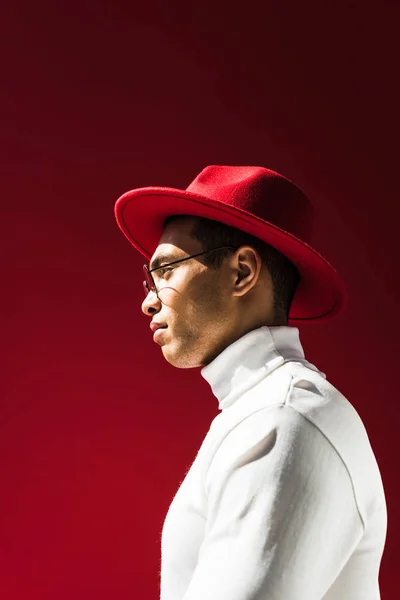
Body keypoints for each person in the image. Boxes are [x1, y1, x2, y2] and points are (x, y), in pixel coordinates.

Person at [114, 165, 387, 599]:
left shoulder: (282, 421)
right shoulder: (263, 411)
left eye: (165, 271)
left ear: (241, 272)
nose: (149, 301)